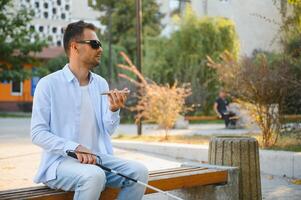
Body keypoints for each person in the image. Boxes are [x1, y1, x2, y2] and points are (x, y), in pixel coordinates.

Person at [31, 20, 148, 200]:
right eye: (94, 44)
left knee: (139, 172)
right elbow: (37, 133)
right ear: (75, 47)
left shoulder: (100, 83)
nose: (100, 49)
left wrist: (113, 109)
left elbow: (108, 129)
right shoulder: (48, 84)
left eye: (100, 44)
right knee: (94, 176)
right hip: (61, 164)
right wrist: (74, 147)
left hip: (98, 159)